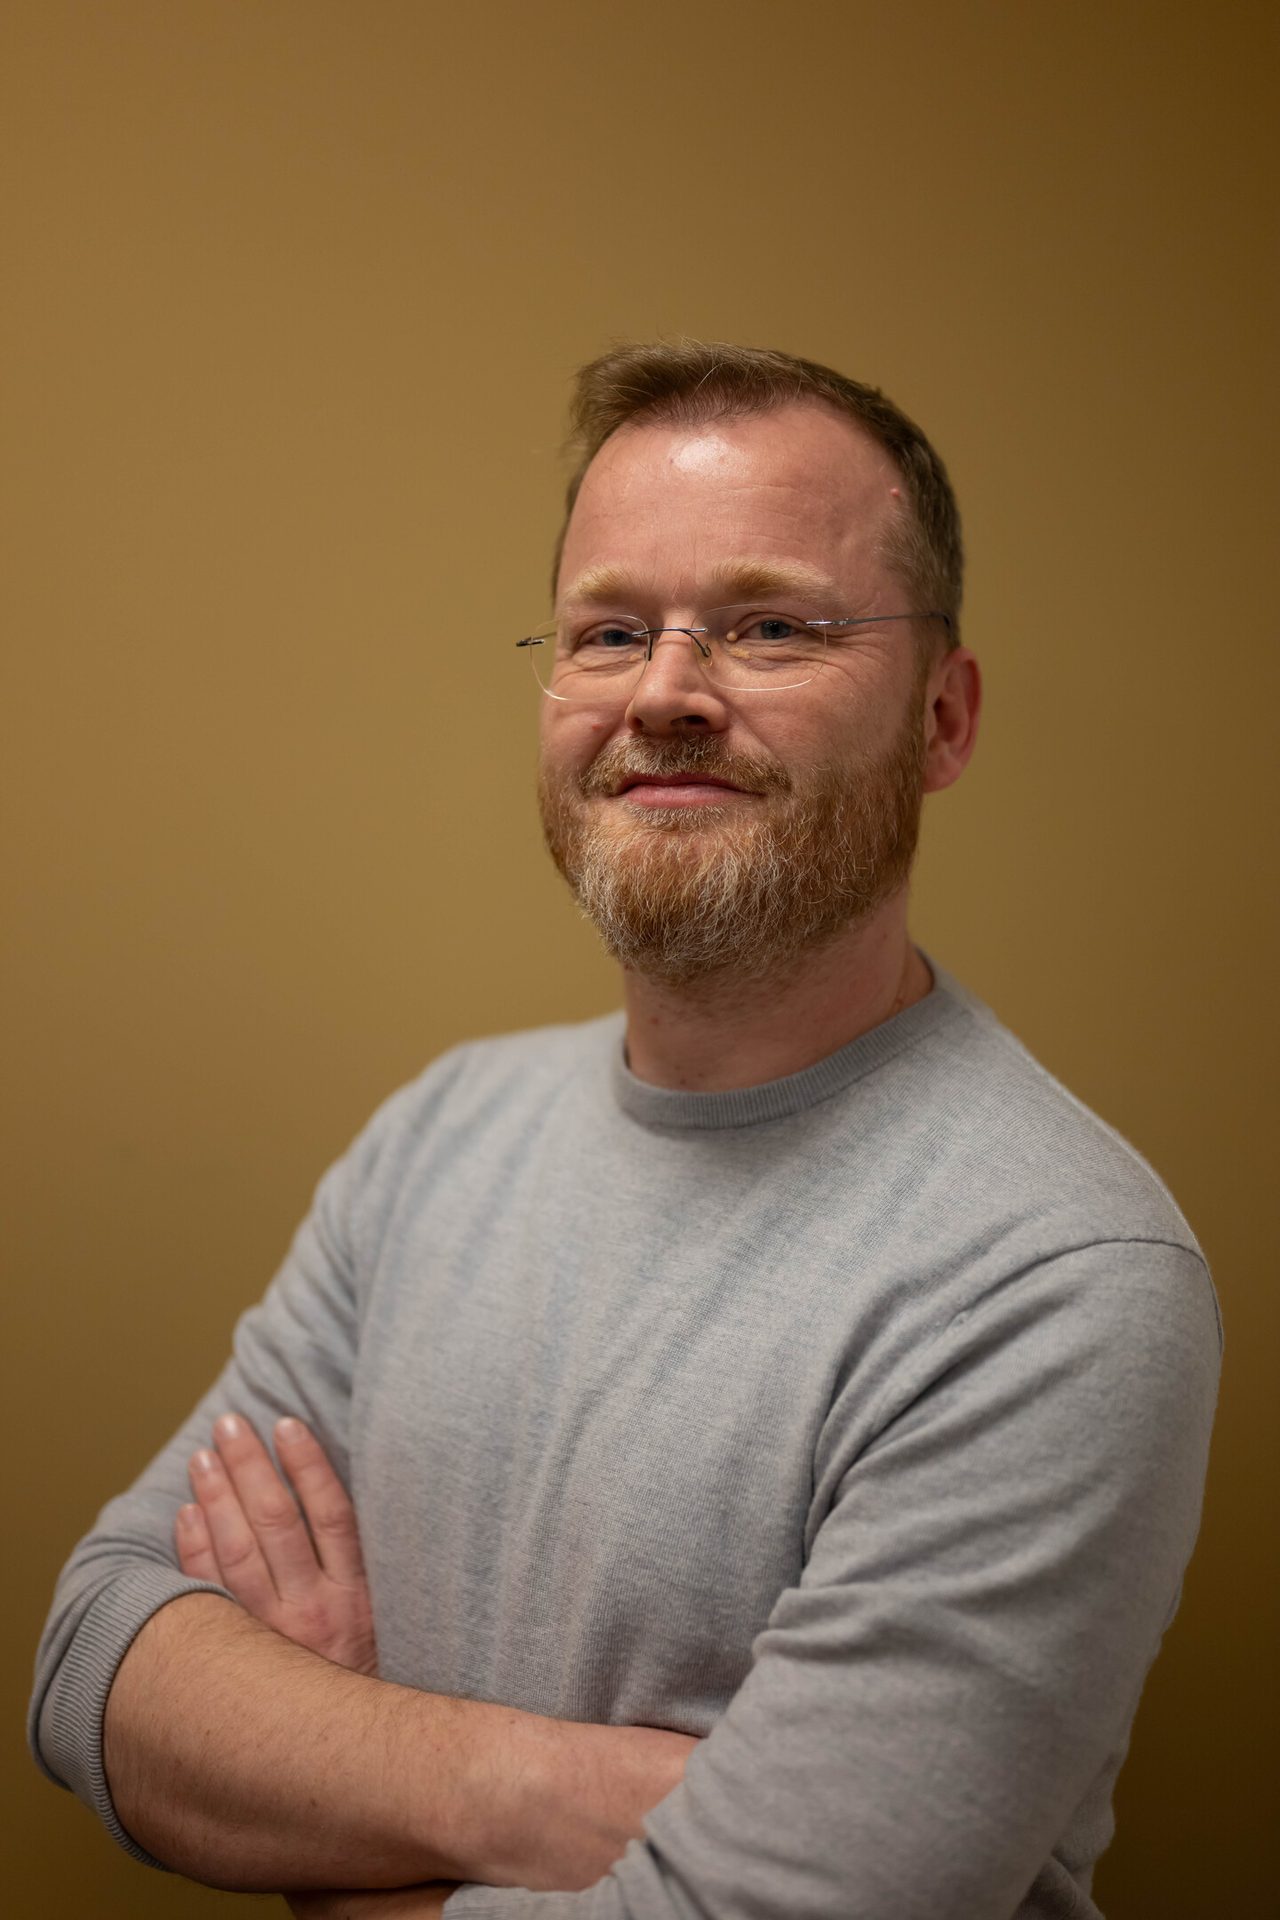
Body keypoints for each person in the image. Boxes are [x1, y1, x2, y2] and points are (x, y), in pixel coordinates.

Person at [30, 341, 1221, 1920]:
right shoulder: (437, 1138)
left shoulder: (1059, 1275)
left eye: (771, 626)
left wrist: (324, 1799)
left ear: (943, 718)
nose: (666, 690)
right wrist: (570, 1794)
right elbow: (94, 1660)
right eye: (609, 631)